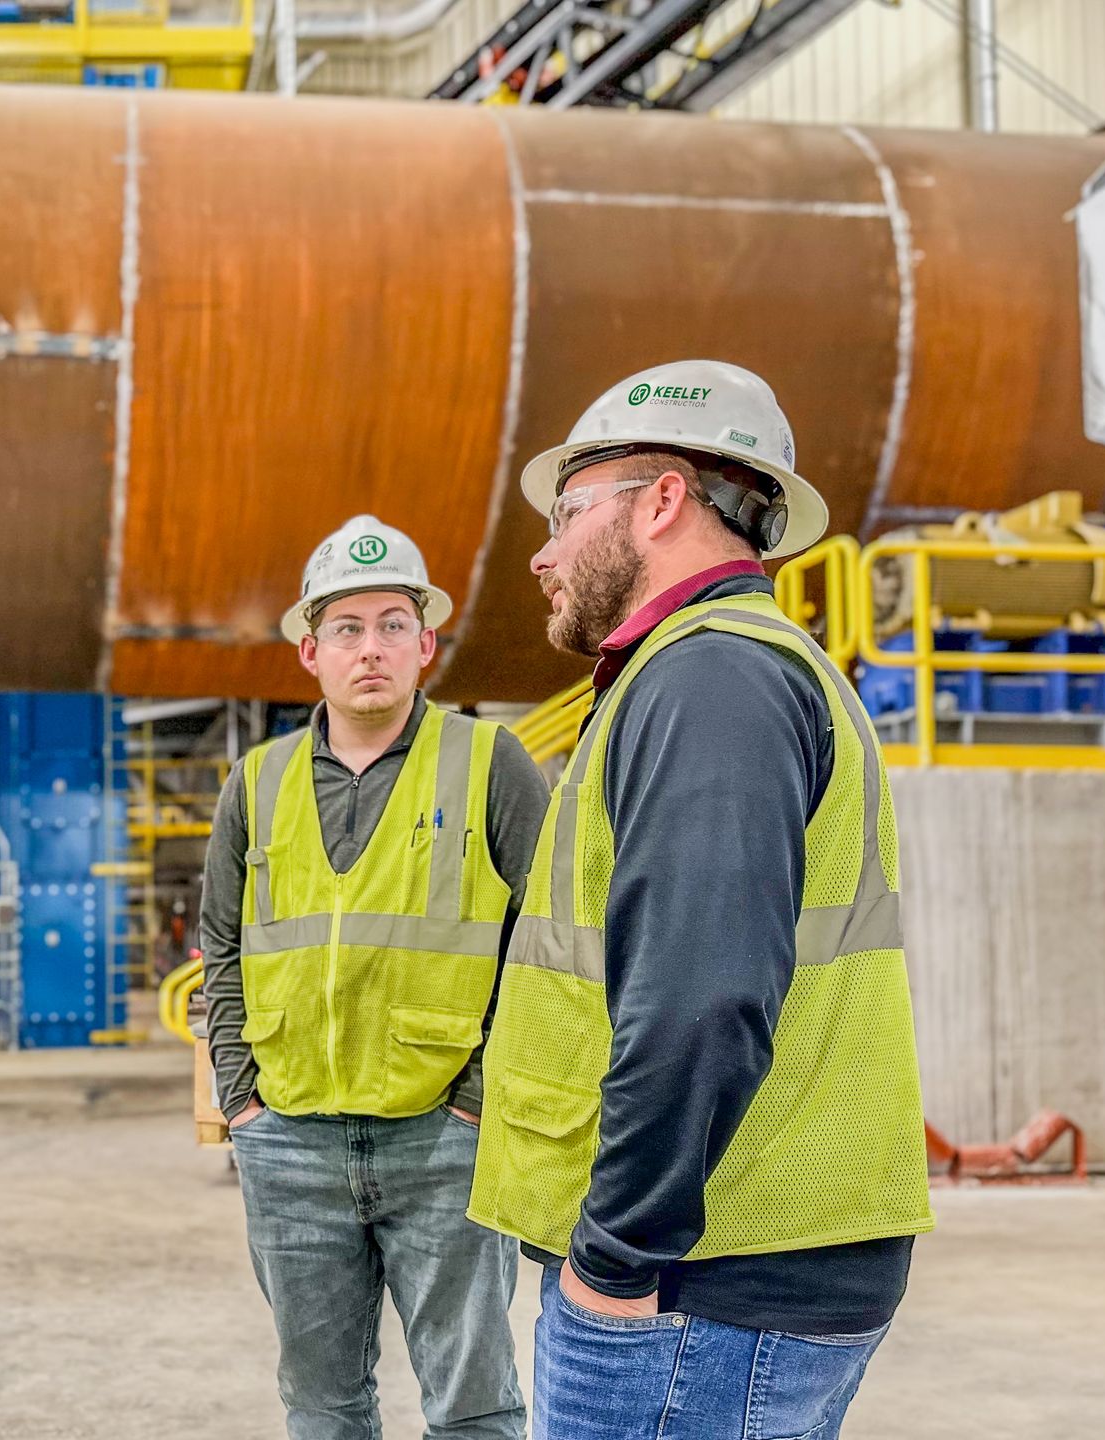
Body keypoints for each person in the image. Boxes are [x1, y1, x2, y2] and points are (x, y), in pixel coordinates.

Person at [468, 361, 933, 1439]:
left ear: (664, 498)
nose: (543, 553)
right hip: (718, 1266)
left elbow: (700, 999)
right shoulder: (716, 671)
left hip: (695, 1284)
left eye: (568, 512)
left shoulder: (708, 679)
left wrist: (614, 1264)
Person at [201, 515, 547, 1440]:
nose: (372, 648)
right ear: (310, 650)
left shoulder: (489, 764)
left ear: (426, 644)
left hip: (445, 1140)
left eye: (393, 624)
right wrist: (244, 1104)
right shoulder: (255, 782)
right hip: (290, 1140)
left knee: (473, 1402)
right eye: (347, 629)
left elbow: (548, 946)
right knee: (320, 1403)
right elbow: (222, 949)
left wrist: (478, 1098)